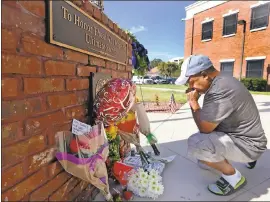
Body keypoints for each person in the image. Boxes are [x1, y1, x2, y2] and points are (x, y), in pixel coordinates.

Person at [175, 55, 267, 196]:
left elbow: (204, 128)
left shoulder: (219, 90)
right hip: (250, 138)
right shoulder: (224, 80)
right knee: (205, 151)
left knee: (197, 144)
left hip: (250, 145)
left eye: (190, 81)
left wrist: (193, 102)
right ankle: (248, 159)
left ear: (204, 75)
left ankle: (233, 178)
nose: (190, 87)